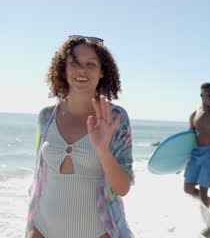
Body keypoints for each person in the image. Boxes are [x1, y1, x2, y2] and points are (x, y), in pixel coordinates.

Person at [26, 36, 134, 238]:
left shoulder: (116, 118)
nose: (81, 70)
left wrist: (103, 152)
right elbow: (39, 178)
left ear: (102, 71)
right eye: (74, 63)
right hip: (43, 229)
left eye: (91, 64)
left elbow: (122, 188)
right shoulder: (46, 117)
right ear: (63, 69)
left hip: (99, 231)